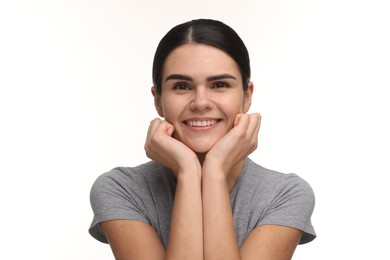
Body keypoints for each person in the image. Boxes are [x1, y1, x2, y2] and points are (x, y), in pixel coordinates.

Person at [89, 18, 316, 259]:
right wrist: (188, 171)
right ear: (158, 100)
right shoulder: (121, 189)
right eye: (182, 87)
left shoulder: (285, 194)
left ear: (247, 96)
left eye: (219, 84)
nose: (200, 103)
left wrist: (214, 170)